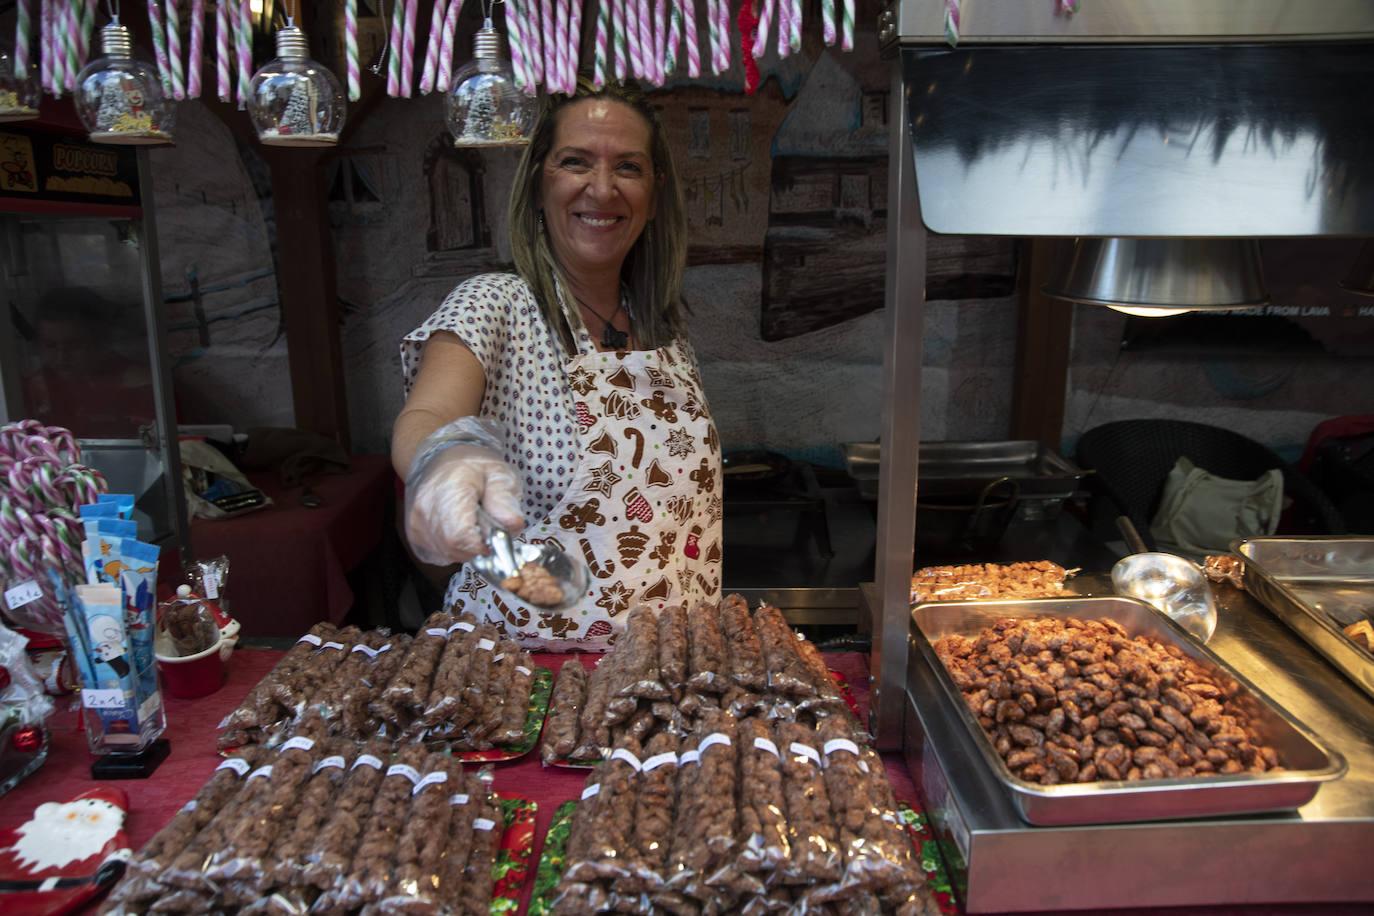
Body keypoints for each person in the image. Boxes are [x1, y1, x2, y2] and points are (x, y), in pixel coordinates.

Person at [392, 77, 723, 649]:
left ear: (654, 190)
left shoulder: (664, 326)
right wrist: (442, 463)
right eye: (576, 162)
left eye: (628, 167)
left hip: (671, 672)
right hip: (521, 672)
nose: (602, 188)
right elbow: (427, 413)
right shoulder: (496, 303)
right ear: (539, 180)